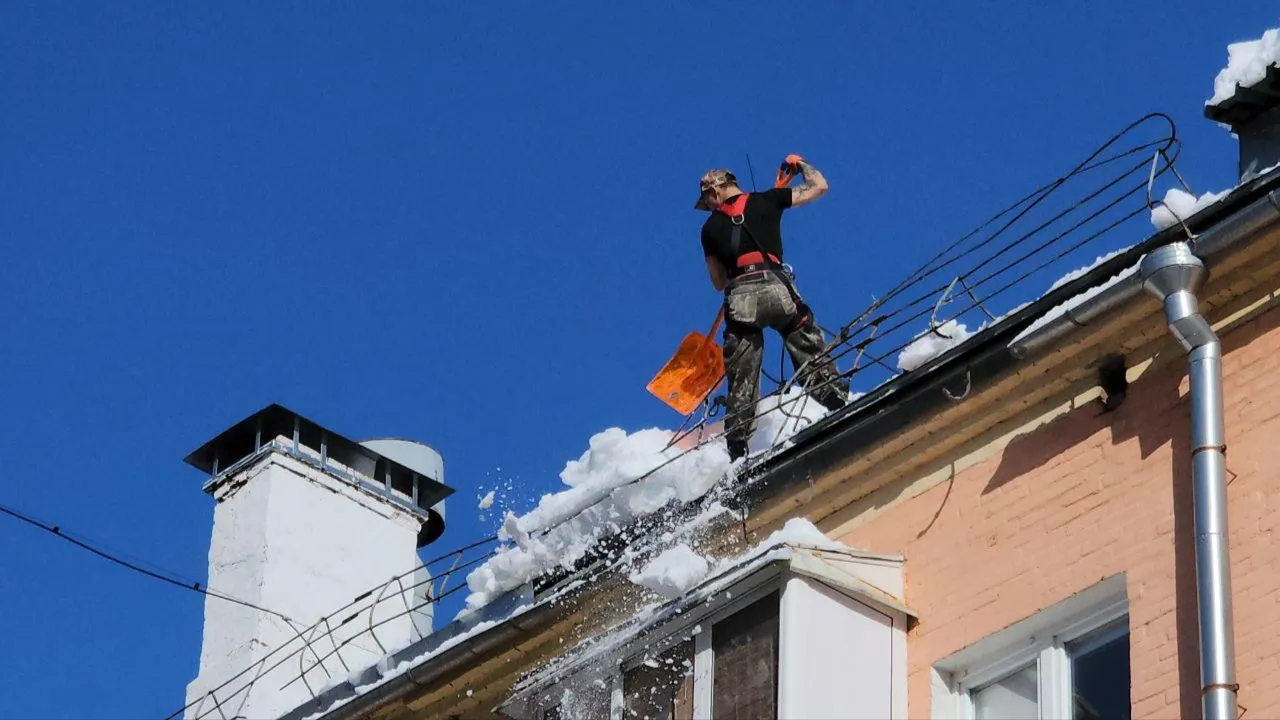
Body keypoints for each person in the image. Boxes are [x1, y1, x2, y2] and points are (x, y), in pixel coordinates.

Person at [695, 156, 849, 461]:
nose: (709, 207)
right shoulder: (768, 199)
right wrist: (800, 164)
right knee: (804, 338)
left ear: (715, 191)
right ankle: (833, 396)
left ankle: (738, 445)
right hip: (777, 288)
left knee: (742, 371)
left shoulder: (709, 228)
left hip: (741, 299)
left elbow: (718, 282)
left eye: (708, 201)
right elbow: (819, 186)